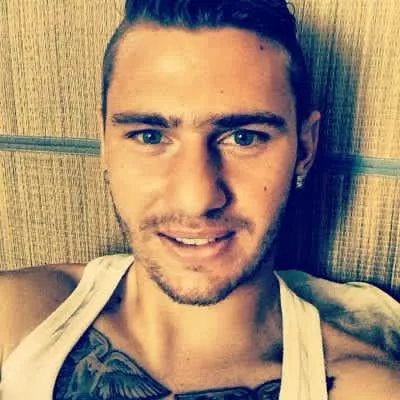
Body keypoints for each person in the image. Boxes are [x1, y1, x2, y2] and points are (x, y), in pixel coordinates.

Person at [0, 0, 399, 398]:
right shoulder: (14, 316)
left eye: (244, 138)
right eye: (150, 137)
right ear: (104, 143)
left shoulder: (365, 389)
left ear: (305, 150)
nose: (196, 200)